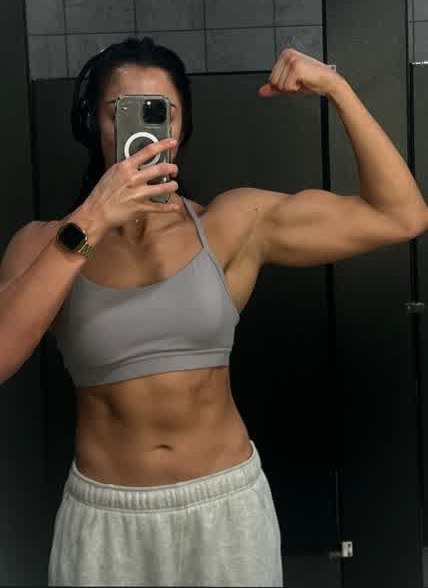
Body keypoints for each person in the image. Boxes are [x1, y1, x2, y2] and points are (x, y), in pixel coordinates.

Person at [0, 36, 426, 587]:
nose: (143, 131)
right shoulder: (45, 244)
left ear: (181, 127)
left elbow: (401, 215)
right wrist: (92, 221)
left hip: (225, 509)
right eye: (120, 111)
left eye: (162, 112)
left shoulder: (230, 225)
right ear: (93, 124)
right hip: (107, 520)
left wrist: (337, 88)